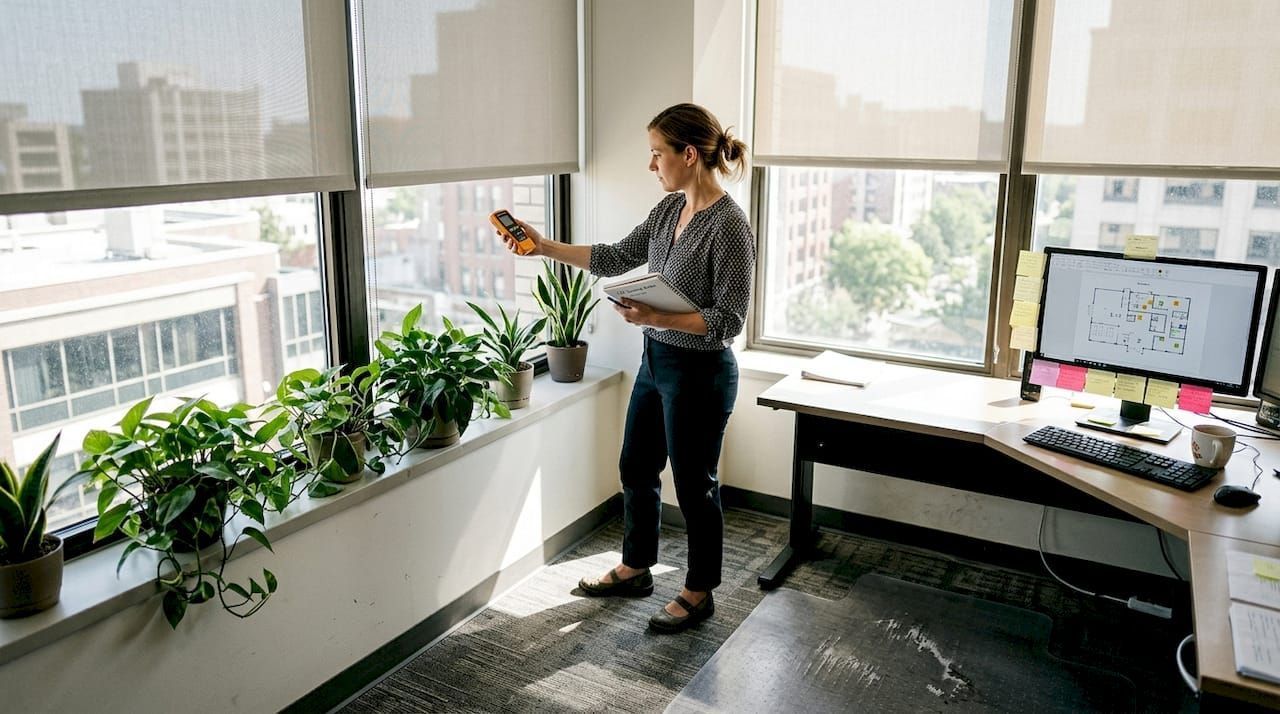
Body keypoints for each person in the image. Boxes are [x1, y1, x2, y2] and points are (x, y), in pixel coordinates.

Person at [497, 103, 754, 634]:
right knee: (636, 467)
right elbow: (615, 257)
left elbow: (728, 320)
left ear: (688, 154)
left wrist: (658, 313)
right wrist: (542, 245)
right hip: (656, 361)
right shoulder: (667, 211)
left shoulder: (729, 227)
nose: (651, 164)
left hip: (701, 373)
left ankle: (698, 590)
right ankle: (637, 568)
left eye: (657, 153)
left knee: (694, 485)